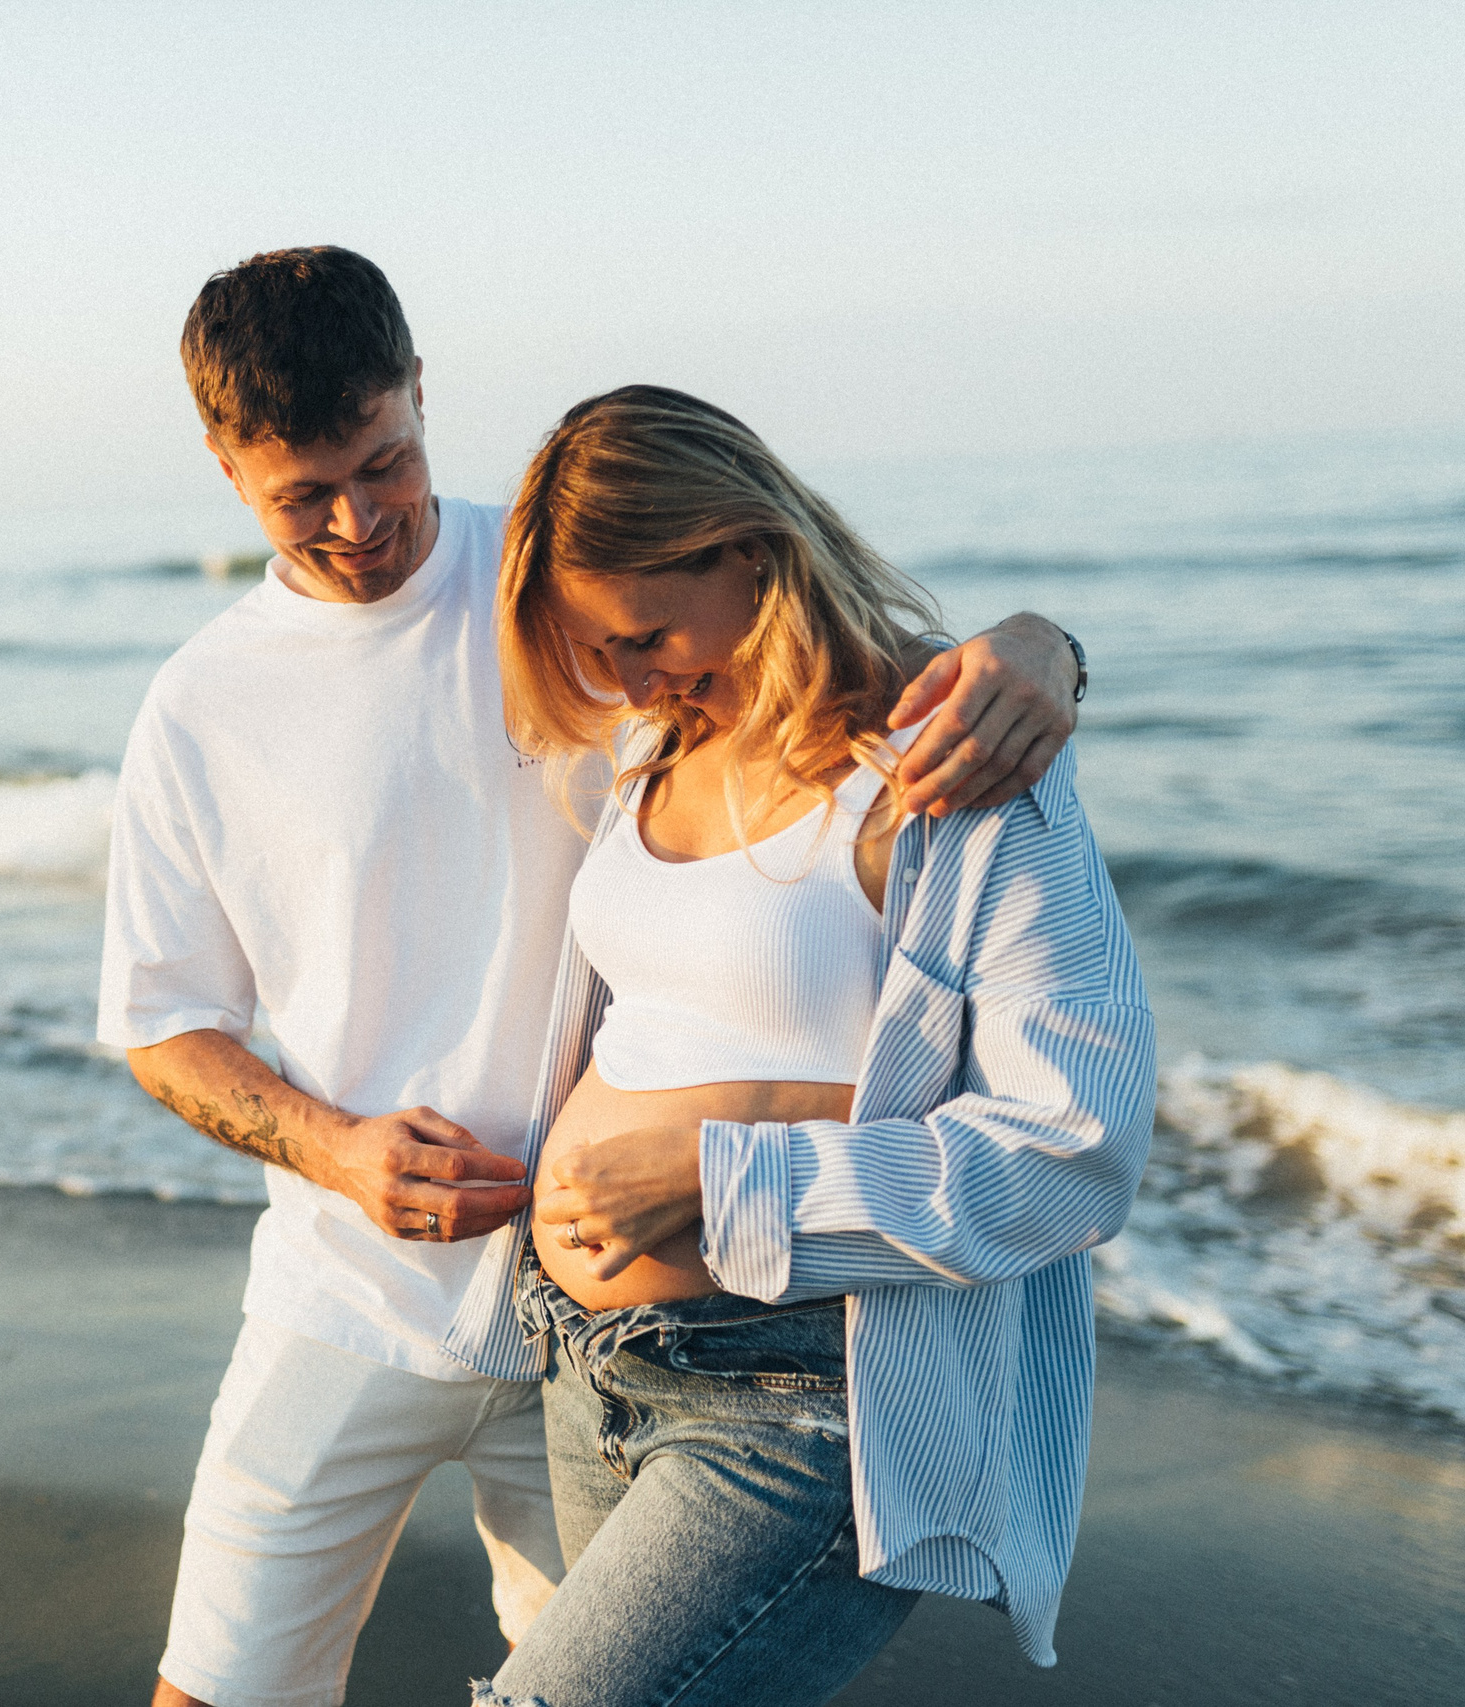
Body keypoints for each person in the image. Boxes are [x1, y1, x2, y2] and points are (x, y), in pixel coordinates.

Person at [97, 247, 1085, 1707]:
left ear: (419, 391)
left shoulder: (559, 593)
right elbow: (164, 1025)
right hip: (355, 1292)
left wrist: (1042, 650)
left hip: (615, 1329)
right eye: (304, 494)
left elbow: (805, 668)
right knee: (217, 1687)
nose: (360, 521)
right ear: (224, 464)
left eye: (386, 462)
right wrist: (339, 1151)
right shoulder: (200, 708)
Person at [470, 386, 1155, 1707]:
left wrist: (719, 1180)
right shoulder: (658, 738)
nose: (630, 683)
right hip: (590, 1365)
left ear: (750, 550)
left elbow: (1075, 1150)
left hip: (799, 1395)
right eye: (598, 652)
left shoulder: (951, 770)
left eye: (647, 636)